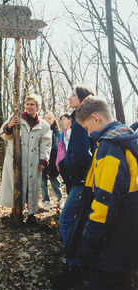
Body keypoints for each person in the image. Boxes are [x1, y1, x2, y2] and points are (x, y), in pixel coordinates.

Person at [73, 96, 138, 290]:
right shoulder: (128, 137)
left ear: (96, 119)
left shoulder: (110, 147)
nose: (88, 133)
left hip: (112, 245)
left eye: (86, 128)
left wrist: (88, 243)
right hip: (128, 238)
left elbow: (105, 204)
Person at [53, 85, 95, 288]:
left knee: (65, 222)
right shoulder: (86, 119)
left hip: (81, 182)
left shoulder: (79, 122)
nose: (69, 98)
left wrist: (63, 165)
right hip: (87, 180)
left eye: (73, 95)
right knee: (83, 221)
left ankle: (74, 265)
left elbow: (80, 155)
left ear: (82, 99)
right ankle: (82, 260)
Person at [0, 94, 52, 224]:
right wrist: (10, 126)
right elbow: (3, 135)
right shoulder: (16, 118)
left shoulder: (44, 125)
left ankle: (31, 214)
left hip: (34, 161)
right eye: (27, 104)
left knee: (32, 187)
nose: (29, 107)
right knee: (17, 185)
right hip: (17, 161)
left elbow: (46, 144)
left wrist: (43, 161)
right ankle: (16, 213)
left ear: (38, 107)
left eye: (32, 104)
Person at [41, 111, 64, 211]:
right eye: (45, 118)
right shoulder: (40, 132)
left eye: (50, 118)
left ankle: (60, 199)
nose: (47, 120)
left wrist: (58, 162)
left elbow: (59, 149)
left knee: (55, 180)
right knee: (42, 181)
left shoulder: (57, 133)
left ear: (54, 120)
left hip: (54, 160)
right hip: (42, 159)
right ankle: (46, 201)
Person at [56, 114, 72, 195]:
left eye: (64, 119)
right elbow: (60, 150)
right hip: (66, 160)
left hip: (74, 159)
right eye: (61, 120)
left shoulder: (75, 131)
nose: (62, 121)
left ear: (70, 119)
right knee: (68, 183)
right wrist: (58, 163)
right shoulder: (62, 134)